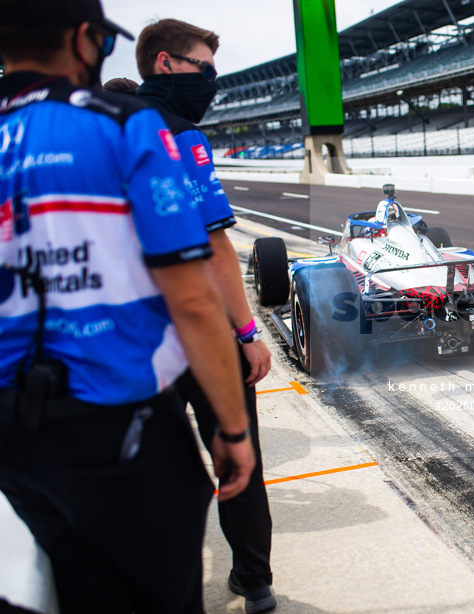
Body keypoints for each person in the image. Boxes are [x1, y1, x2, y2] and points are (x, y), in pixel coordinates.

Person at [0, 0, 255, 612]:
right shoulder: (123, 123)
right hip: (119, 425)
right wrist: (232, 427)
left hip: (13, 434)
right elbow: (193, 298)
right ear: (87, 41)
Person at [135, 18, 276, 613]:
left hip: (136, 336)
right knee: (235, 454)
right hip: (203, 330)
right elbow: (217, 246)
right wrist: (247, 332)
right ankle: (253, 579)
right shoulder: (183, 138)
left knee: (153, 472)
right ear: (165, 63)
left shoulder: (100, 132)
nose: (211, 82)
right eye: (203, 67)